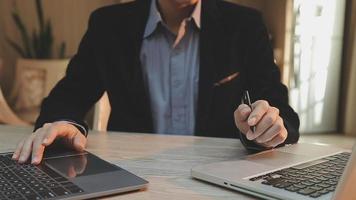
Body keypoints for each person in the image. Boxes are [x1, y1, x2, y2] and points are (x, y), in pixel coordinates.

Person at [12, 0, 300, 165]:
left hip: (223, 178)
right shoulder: (108, 25)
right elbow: (66, 99)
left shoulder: (245, 25)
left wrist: (268, 126)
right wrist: (65, 125)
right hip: (131, 176)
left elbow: (283, 114)